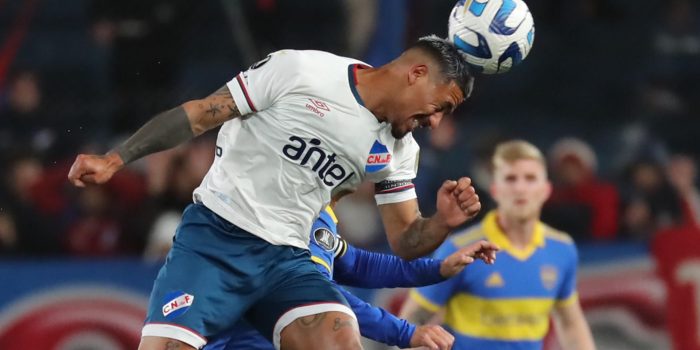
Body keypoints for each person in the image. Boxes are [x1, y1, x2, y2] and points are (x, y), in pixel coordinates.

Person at [67, 35, 480, 350]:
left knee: (338, 338)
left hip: (287, 259)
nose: (437, 123)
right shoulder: (304, 72)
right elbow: (200, 114)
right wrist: (116, 159)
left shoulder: (400, 150)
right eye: (442, 105)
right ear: (417, 74)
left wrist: (442, 222)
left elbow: (406, 240)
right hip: (216, 240)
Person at [205, 203, 498, 350]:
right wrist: (407, 333)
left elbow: (359, 264)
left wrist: (438, 268)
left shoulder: (318, 209)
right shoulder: (281, 213)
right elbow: (315, 299)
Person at [400, 140, 596, 350]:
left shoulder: (561, 250)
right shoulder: (460, 249)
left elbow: (570, 323)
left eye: (530, 179)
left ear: (546, 189)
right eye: (510, 179)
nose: (520, 188)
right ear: (495, 189)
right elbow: (412, 322)